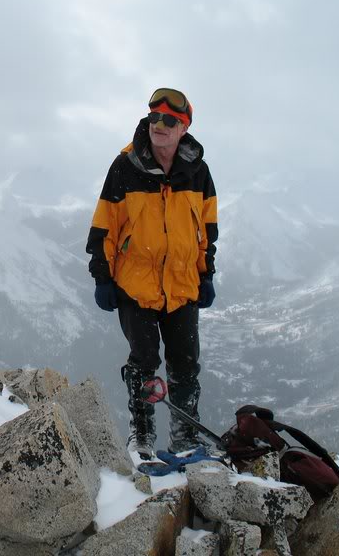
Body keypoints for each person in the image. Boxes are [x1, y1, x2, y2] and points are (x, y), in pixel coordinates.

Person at [86, 88, 218, 459]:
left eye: (169, 120)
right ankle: (141, 436)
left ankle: (184, 436)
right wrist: (102, 277)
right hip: (135, 285)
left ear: (183, 128)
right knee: (144, 363)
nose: (159, 125)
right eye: (154, 117)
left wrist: (206, 274)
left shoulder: (198, 173)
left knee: (185, 365)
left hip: (182, 285)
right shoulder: (125, 167)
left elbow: (207, 229)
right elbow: (104, 227)